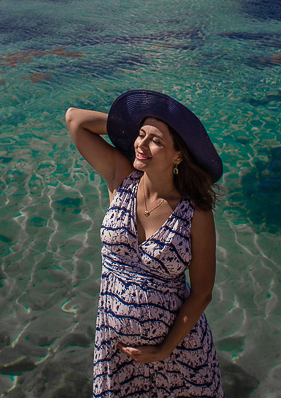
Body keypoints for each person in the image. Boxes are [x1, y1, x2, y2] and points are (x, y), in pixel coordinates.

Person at [65, 90, 225, 398]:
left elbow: (202, 292)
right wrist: (128, 130)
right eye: (140, 135)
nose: (142, 144)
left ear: (179, 155)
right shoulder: (121, 178)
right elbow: (75, 119)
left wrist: (164, 349)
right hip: (117, 353)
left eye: (156, 140)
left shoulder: (195, 213)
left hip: (180, 355)